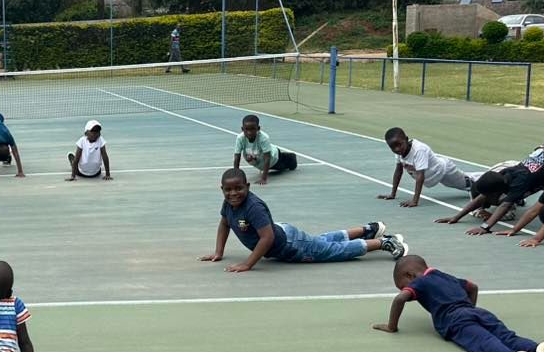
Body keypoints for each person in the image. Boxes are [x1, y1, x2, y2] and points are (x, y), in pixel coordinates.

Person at [372, 255, 544, 352]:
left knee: (486, 343)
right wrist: (470, 310)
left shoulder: (418, 283)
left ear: (410, 276)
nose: (405, 288)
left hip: (455, 320)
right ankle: (539, 349)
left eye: (403, 283)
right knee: (509, 337)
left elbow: (400, 299)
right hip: (478, 312)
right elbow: (473, 286)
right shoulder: (444, 276)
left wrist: (392, 326)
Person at [200, 168, 406, 271]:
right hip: (287, 235)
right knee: (321, 241)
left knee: (333, 251)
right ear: (222, 190)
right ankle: (368, 229)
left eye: (238, 188)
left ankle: (384, 241)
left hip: (290, 245)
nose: (233, 193)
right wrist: (219, 252)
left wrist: (248, 264)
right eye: (228, 190)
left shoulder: (252, 207)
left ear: (247, 186)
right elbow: (224, 224)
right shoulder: (229, 205)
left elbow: (267, 238)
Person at [435, 137, 544, 231]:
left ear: (497, 192)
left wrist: (485, 227)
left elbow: (503, 207)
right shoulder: (503, 176)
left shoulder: (519, 183)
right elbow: (482, 198)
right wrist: (456, 217)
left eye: (489, 197)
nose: (487, 201)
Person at [378, 127, 472, 207]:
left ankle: (484, 176)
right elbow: (398, 171)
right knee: (461, 184)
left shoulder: (419, 150)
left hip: (444, 170)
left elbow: (420, 176)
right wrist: (392, 194)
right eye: (392, 147)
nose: (397, 149)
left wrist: (415, 201)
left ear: (406, 139)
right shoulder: (400, 152)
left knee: (470, 185)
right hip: (435, 175)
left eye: (399, 145)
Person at [232, 114, 297, 185]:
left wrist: (263, 178)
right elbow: (237, 157)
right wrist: (236, 176)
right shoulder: (240, 138)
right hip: (259, 161)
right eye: (246, 129)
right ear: (242, 129)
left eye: (252, 129)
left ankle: (292, 157)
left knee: (284, 167)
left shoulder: (263, 138)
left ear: (258, 128)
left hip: (274, 159)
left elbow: (267, 158)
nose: (249, 132)